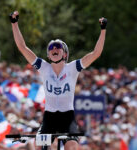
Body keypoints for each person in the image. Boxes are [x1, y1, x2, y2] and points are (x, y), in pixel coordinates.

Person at [9, 11, 107, 150]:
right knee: (44, 146)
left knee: (72, 147)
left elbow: (96, 54)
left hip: (67, 117)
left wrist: (103, 30)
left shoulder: (73, 68)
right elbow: (22, 47)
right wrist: (14, 24)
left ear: (65, 53)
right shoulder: (43, 67)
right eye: (51, 48)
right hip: (49, 117)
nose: (54, 49)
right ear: (48, 54)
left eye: (58, 48)